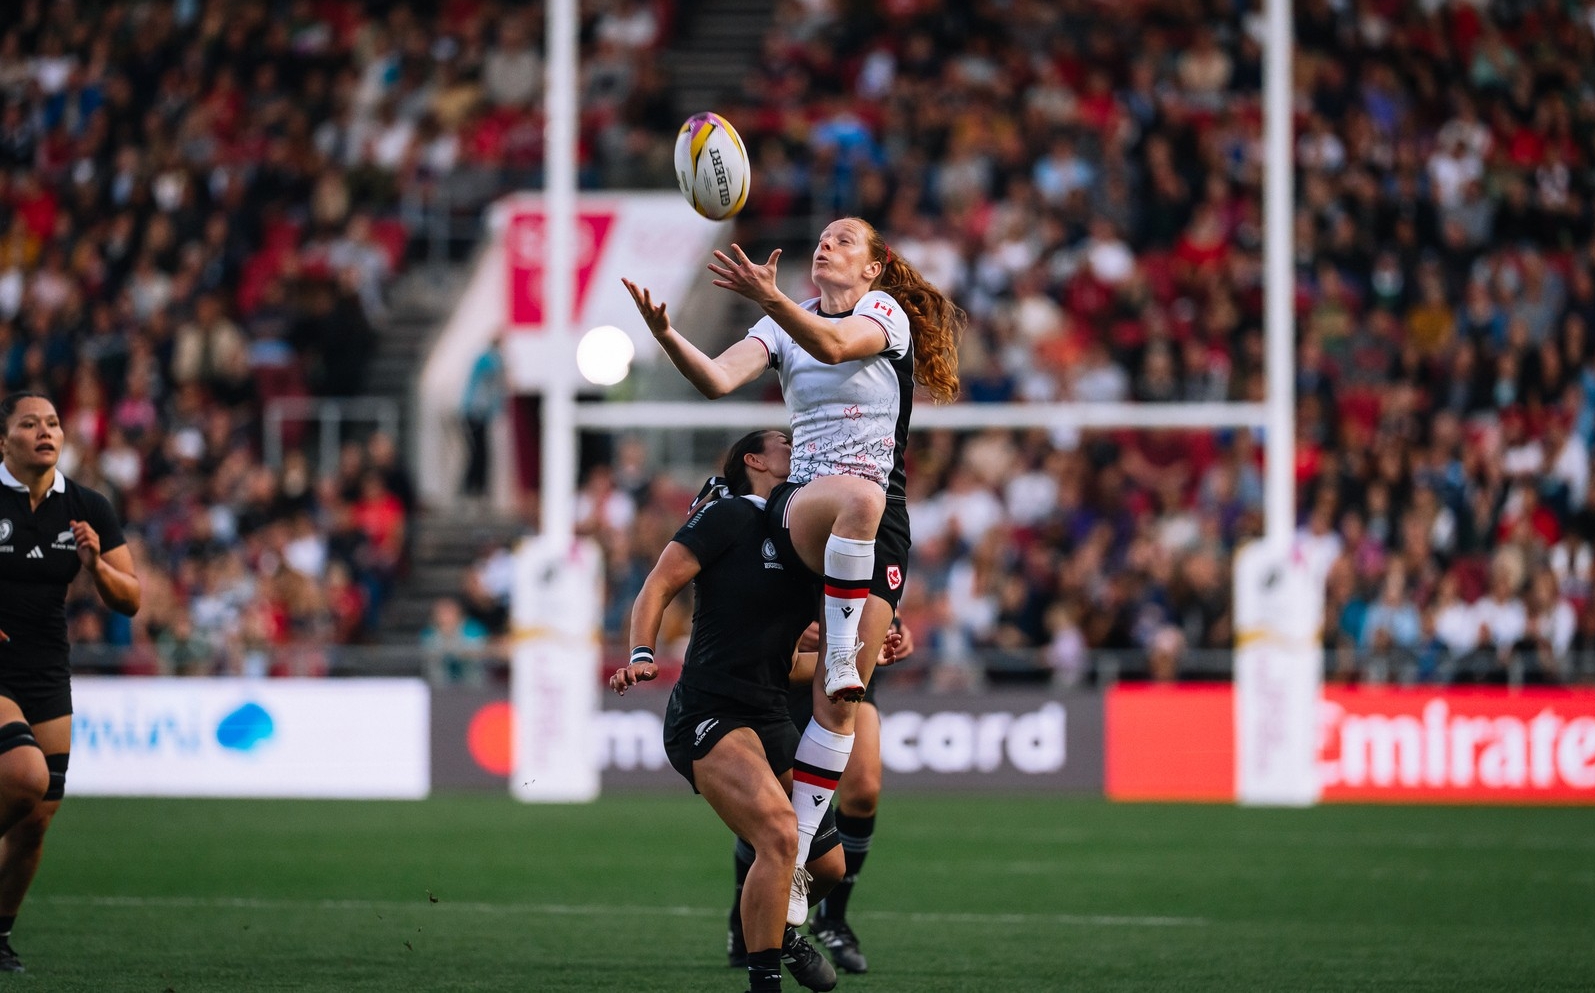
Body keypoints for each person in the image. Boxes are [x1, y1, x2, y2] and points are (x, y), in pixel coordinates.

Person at [625, 215, 963, 925]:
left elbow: (835, 345)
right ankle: (819, 664)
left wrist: (770, 299)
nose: (827, 244)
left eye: (845, 240)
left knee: (840, 707)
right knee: (857, 497)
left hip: (879, 528)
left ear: (872, 269)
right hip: (805, 507)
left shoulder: (883, 314)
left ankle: (797, 863)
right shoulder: (782, 322)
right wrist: (667, 336)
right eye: (824, 238)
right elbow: (717, 378)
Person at [610, 429, 840, 993]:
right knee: (780, 835)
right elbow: (657, 584)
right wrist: (642, 654)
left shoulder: (800, 532)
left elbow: (791, 661)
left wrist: (864, 652)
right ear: (754, 460)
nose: (796, 445)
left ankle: (776, 930)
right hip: (708, 710)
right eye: (783, 442)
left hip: (768, 710)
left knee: (829, 866)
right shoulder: (730, 514)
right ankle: (765, 979)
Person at [0, 391, 141, 972]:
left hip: (47, 670)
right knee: (24, 776)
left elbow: (131, 599)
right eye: (29, 423)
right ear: (3, 441)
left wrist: (96, 566)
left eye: (53, 423)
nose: (45, 431)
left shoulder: (87, 506)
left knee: (36, 822)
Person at [727, 617, 910, 975]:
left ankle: (832, 919)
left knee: (864, 790)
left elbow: (884, 594)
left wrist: (898, 627)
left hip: (849, 662)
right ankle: (745, 913)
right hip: (788, 664)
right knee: (774, 803)